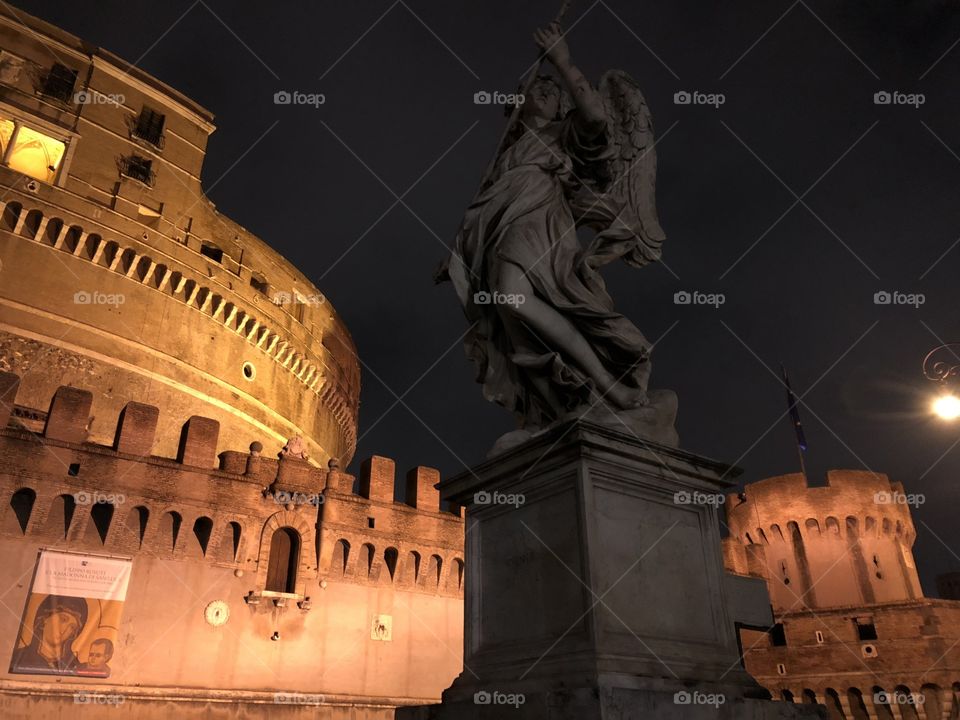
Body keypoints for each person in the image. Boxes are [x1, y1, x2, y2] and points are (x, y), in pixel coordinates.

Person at [10, 594, 87, 674]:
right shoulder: (17, 658)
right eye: (63, 619)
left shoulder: (74, 667)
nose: (64, 630)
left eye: (72, 627)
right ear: (45, 618)